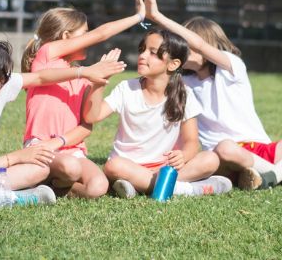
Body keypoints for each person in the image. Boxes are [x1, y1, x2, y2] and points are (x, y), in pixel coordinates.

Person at [142, 0, 282, 190]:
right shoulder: (182, 83)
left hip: (263, 149)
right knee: (225, 147)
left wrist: (158, 16)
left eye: (188, 45)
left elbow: (199, 44)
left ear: (208, 45)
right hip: (225, 157)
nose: (183, 50)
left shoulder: (231, 67)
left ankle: (271, 176)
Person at [0, 39, 125, 205]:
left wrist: (84, 71)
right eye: (2, 78)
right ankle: (12, 198)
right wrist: (15, 157)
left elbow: (40, 78)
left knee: (41, 169)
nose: (7, 82)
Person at [83, 29, 232, 199]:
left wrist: (184, 156)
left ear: (173, 64)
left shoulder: (184, 94)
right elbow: (92, 117)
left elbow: (192, 142)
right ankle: (185, 189)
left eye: (152, 53)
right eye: (142, 49)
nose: (143, 55)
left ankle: (142, 186)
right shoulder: (126, 89)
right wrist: (99, 83)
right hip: (129, 165)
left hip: (165, 167)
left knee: (210, 159)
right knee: (113, 166)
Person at [19, 0, 143, 198]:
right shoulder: (47, 54)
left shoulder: (86, 77)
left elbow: (88, 123)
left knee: (98, 187)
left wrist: (98, 82)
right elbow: (102, 34)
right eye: (85, 34)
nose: (89, 39)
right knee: (71, 169)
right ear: (67, 36)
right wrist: (139, 16)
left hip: (70, 149)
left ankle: (50, 186)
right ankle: (41, 176)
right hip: (40, 146)